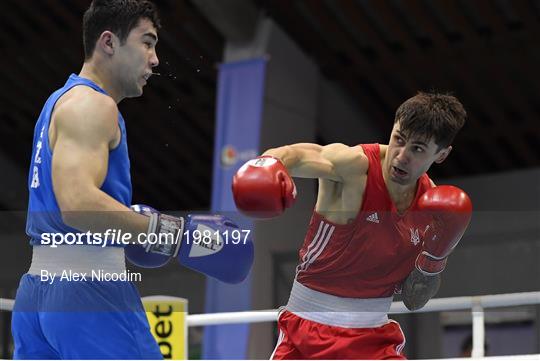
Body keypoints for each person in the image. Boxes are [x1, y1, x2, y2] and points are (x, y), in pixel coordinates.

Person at [12, 0, 252, 359]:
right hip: (89, 293)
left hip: (36, 293)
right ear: (109, 42)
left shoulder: (58, 102)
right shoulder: (93, 106)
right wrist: (175, 236)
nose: (155, 59)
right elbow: (77, 205)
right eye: (147, 42)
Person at [232, 92, 473, 359]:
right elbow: (300, 155)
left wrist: (436, 257)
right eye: (398, 139)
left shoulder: (433, 207)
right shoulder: (355, 167)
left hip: (374, 338)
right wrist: (269, 165)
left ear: (441, 154)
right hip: (309, 332)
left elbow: (413, 300)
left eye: (417, 149)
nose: (401, 156)